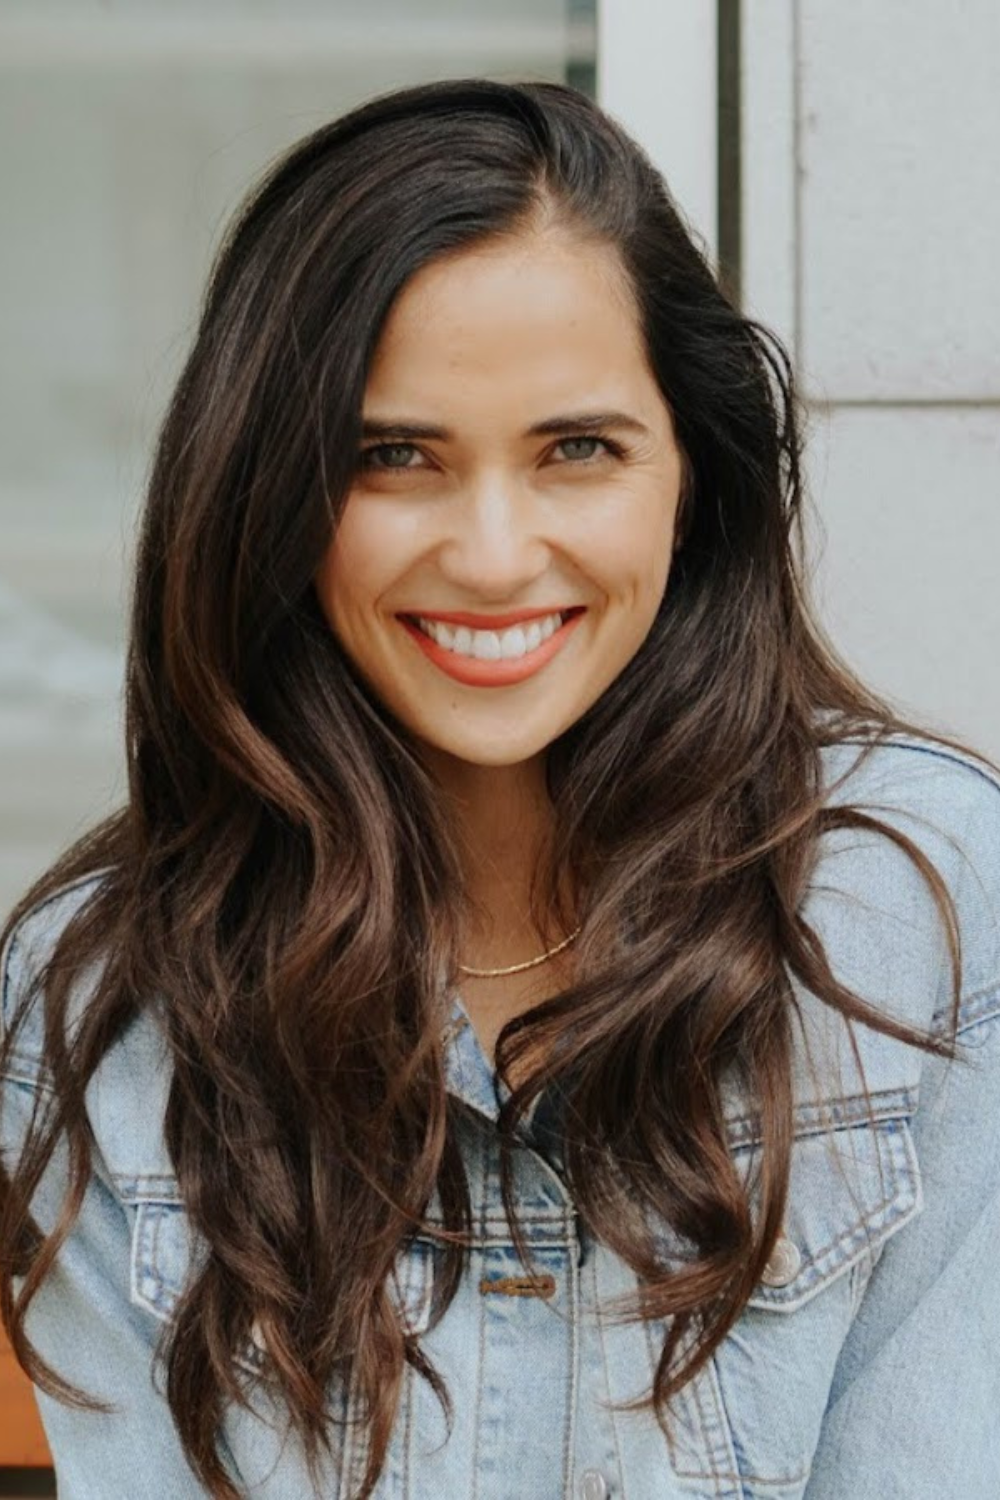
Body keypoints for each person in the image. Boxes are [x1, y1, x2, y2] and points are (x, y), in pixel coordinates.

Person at [1, 76, 998, 1500]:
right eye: (392, 457)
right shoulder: (108, 1008)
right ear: (272, 492)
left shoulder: (930, 904)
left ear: (691, 478)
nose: (490, 553)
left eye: (575, 450)